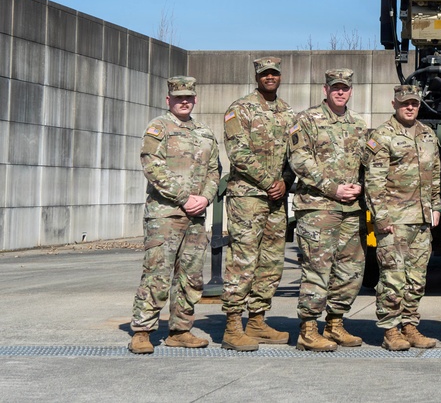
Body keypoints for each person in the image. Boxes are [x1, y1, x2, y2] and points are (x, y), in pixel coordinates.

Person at [129, 76, 220, 354]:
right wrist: (184, 198)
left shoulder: (205, 132)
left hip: (195, 217)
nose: (184, 101)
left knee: (190, 277)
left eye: (188, 97)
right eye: (179, 97)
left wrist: (205, 198)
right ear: (169, 100)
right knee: (157, 273)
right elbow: (152, 167)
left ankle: (180, 330)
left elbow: (214, 170)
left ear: (195, 99)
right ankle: (142, 331)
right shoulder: (159, 128)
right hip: (165, 215)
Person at [287, 68, 367, 351]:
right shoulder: (306, 120)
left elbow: (368, 163)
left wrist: (361, 187)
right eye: (335, 87)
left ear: (351, 91)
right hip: (317, 208)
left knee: (350, 270)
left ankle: (335, 323)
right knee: (317, 269)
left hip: (351, 209)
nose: (340, 92)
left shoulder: (359, 123)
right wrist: (332, 188)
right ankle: (308, 329)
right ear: (326, 90)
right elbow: (299, 160)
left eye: (345, 88)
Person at [220, 56, 295, 351]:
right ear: (257, 77)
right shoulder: (239, 109)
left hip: (276, 200)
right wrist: (269, 182)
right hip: (248, 198)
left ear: (280, 76)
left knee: (271, 262)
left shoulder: (288, 112)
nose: (270, 77)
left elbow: (295, 155)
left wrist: (285, 181)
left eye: (274, 73)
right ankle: (232, 327)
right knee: (243, 261)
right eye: (265, 74)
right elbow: (238, 153)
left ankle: (257, 321)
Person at [363, 84, 441, 351]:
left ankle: (409, 325)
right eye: (404, 103)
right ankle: (391, 330)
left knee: (416, 279)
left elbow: (434, 175)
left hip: (421, 220)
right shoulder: (383, 135)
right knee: (393, 277)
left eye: (414, 103)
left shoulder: (428, 135)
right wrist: (381, 217)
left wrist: (436, 207)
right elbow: (374, 181)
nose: (410, 107)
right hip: (394, 220)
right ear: (394, 104)